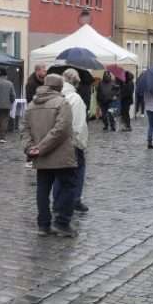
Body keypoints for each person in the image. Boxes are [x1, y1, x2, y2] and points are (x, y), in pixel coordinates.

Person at [24, 73, 77, 237]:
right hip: (61, 155)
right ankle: (62, 223)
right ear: (59, 87)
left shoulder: (31, 105)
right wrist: (41, 148)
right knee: (68, 187)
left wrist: (30, 148)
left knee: (43, 189)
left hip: (40, 156)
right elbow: (61, 130)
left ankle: (43, 224)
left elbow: (24, 130)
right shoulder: (62, 103)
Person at [56, 68, 89, 214]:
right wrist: (81, 144)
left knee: (59, 172)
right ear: (76, 82)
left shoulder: (57, 95)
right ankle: (75, 200)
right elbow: (78, 125)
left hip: (56, 140)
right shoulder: (76, 99)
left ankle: (57, 201)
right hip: (72, 142)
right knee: (77, 172)